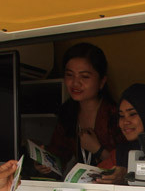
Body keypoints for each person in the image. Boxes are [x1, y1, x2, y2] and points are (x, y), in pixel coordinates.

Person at [39, 42, 124, 180]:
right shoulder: (67, 112)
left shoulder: (116, 115)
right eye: (69, 75)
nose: (75, 83)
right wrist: (46, 164)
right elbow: (60, 155)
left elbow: (127, 167)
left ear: (102, 81)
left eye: (84, 76)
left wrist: (98, 150)